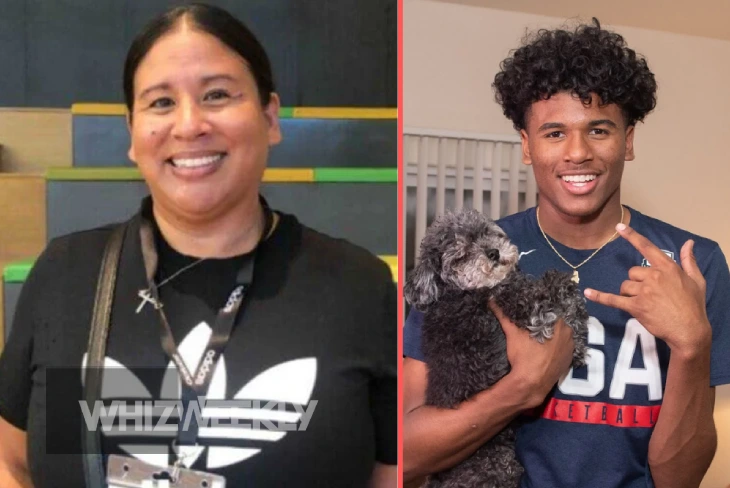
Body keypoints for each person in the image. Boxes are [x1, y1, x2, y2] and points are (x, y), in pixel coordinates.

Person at [0, 4, 396, 487]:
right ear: (132, 132)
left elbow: (390, 474)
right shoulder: (64, 273)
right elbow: (11, 463)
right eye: (161, 103)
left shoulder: (359, 285)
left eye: (216, 95)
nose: (189, 125)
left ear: (270, 117)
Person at [403, 19, 730, 488]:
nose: (577, 153)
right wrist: (523, 389)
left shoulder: (694, 264)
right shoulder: (469, 262)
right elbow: (407, 456)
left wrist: (693, 345)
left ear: (628, 140)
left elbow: (680, 479)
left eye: (598, 130)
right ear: (526, 146)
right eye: (554, 133)